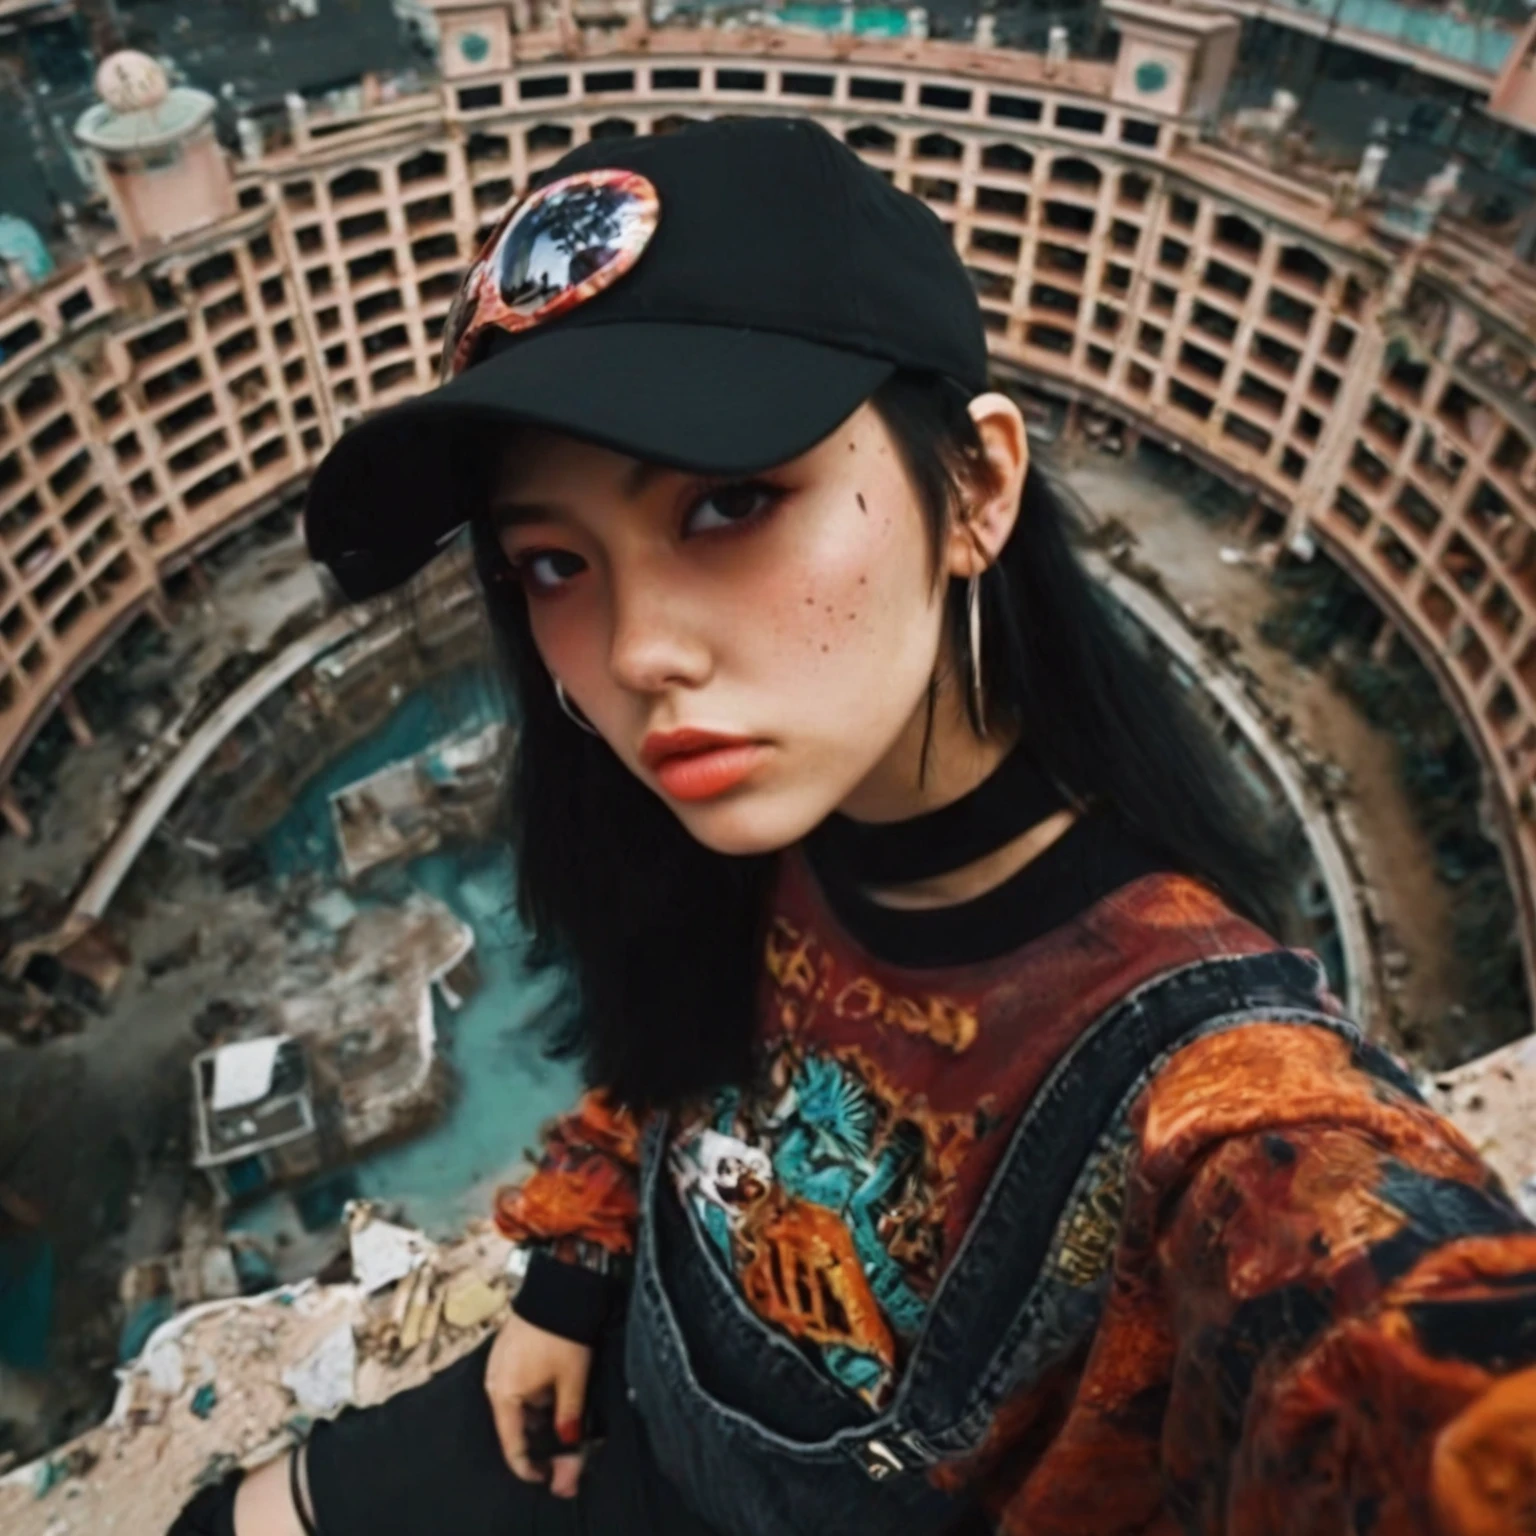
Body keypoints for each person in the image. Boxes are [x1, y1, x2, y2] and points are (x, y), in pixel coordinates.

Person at [172, 117, 1536, 1536]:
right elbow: (669, 1059)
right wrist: (572, 1279)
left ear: (979, 488)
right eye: (554, 562)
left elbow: (1396, 1352)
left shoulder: (1218, 1093)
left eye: (734, 501)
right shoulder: (757, 811)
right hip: (631, 1407)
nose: (638, 651)